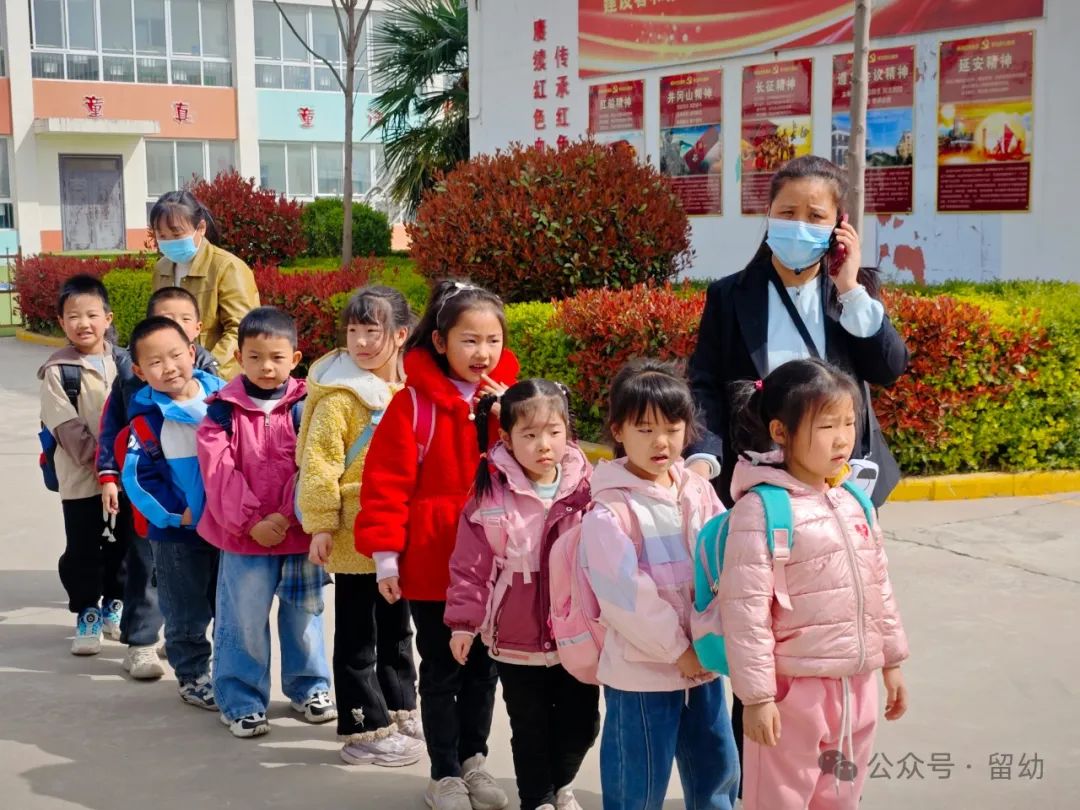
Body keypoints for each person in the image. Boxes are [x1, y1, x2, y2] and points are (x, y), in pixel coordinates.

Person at [686, 155, 909, 787]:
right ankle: (752, 777)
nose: (798, 225)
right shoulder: (731, 294)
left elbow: (890, 366)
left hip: (841, 480)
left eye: (815, 215)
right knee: (760, 627)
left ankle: (828, 775)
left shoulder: (853, 290)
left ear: (838, 226)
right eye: (786, 213)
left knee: (837, 619)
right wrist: (703, 448)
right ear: (767, 217)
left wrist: (851, 288)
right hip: (763, 480)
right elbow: (703, 377)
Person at [715, 359, 909, 810]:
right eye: (826, 425)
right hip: (793, 691)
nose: (843, 438)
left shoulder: (854, 501)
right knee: (781, 797)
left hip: (855, 682)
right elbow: (746, 614)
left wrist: (892, 661)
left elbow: (878, 585)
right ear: (780, 431)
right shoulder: (761, 510)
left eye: (849, 422)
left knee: (841, 795)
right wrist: (758, 698)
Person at [355, 280, 518, 810]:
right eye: (469, 340)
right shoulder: (413, 406)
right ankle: (444, 773)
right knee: (443, 667)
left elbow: (540, 469)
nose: (482, 352)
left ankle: (474, 761)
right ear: (441, 342)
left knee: (485, 669)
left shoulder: (513, 405)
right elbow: (385, 484)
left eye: (492, 340)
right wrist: (385, 557)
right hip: (433, 561)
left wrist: (504, 419)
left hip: (499, 561)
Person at [581, 359, 739, 810]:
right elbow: (625, 597)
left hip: (704, 665)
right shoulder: (609, 512)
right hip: (641, 675)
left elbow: (724, 564)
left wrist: (713, 642)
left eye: (672, 427)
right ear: (618, 430)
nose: (660, 441)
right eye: (644, 429)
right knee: (638, 781)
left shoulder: (697, 489)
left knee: (716, 770)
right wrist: (678, 651)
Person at [445, 380, 600, 810]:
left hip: (577, 635)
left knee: (582, 724)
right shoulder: (489, 496)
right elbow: (470, 568)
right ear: (507, 439)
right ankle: (539, 799)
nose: (543, 445)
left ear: (568, 430)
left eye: (553, 432)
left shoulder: (589, 489)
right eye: (529, 435)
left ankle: (559, 782)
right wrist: (463, 623)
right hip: (515, 642)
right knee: (529, 726)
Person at [297, 286, 424, 766]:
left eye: (373, 331)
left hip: (397, 532)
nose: (362, 342)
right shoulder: (340, 397)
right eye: (353, 331)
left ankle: (398, 708)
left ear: (400, 335)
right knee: (358, 634)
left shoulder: (407, 391)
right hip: (353, 534)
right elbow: (319, 463)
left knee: (396, 628)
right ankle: (362, 726)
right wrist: (322, 524)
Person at [197, 307, 335, 739]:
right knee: (242, 621)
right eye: (254, 357)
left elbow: (314, 465)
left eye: (276, 357)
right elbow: (219, 473)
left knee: (305, 619)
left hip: (298, 537)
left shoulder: (309, 407)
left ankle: (310, 687)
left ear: (295, 358)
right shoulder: (221, 412)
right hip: (244, 540)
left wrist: (287, 515)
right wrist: (251, 520)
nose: (265, 366)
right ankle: (240, 698)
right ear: (239, 356)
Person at [97, 287, 220, 681]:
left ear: (194, 334)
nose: (173, 327)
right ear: (139, 365)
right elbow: (113, 431)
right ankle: (142, 641)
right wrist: (108, 474)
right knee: (147, 570)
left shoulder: (218, 387)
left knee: (204, 589)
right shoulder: (136, 391)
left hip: (215, 517)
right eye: (164, 318)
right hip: (163, 510)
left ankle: (188, 643)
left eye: (183, 321)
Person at [120, 316, 224, 710]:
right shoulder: (146, 420)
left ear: (192, 353)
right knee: (184, 610)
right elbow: (139, 479)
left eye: (176, 355)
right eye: (155, 362)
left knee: (226, 607)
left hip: (228, 531)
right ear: (139, 371)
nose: (169, 367)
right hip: (179, 534)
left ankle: (227, 671)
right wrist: (177, 514)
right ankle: (193, 675)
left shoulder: (225, 401)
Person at [38, 274, 128, 656]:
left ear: (108, 318)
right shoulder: (57, 370)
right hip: (80, 478)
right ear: (61, 322)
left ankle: (116, 605)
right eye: (73, 316)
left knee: (124, 546)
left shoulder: (126, 363)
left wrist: (125, 468)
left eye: (92, 314)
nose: (83, 323)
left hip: (127, 479)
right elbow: (66, 427)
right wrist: (105, 466)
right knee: (83, 547)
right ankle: (87, 611)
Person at [149, 190, 260, 380]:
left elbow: (242, 329)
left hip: (218, 380)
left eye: (177, 233)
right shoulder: (162, 267)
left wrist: (209, 370)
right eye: (162, 236)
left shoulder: (226, 266)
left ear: (200, 228)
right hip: (172, 377)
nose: (169, 242)